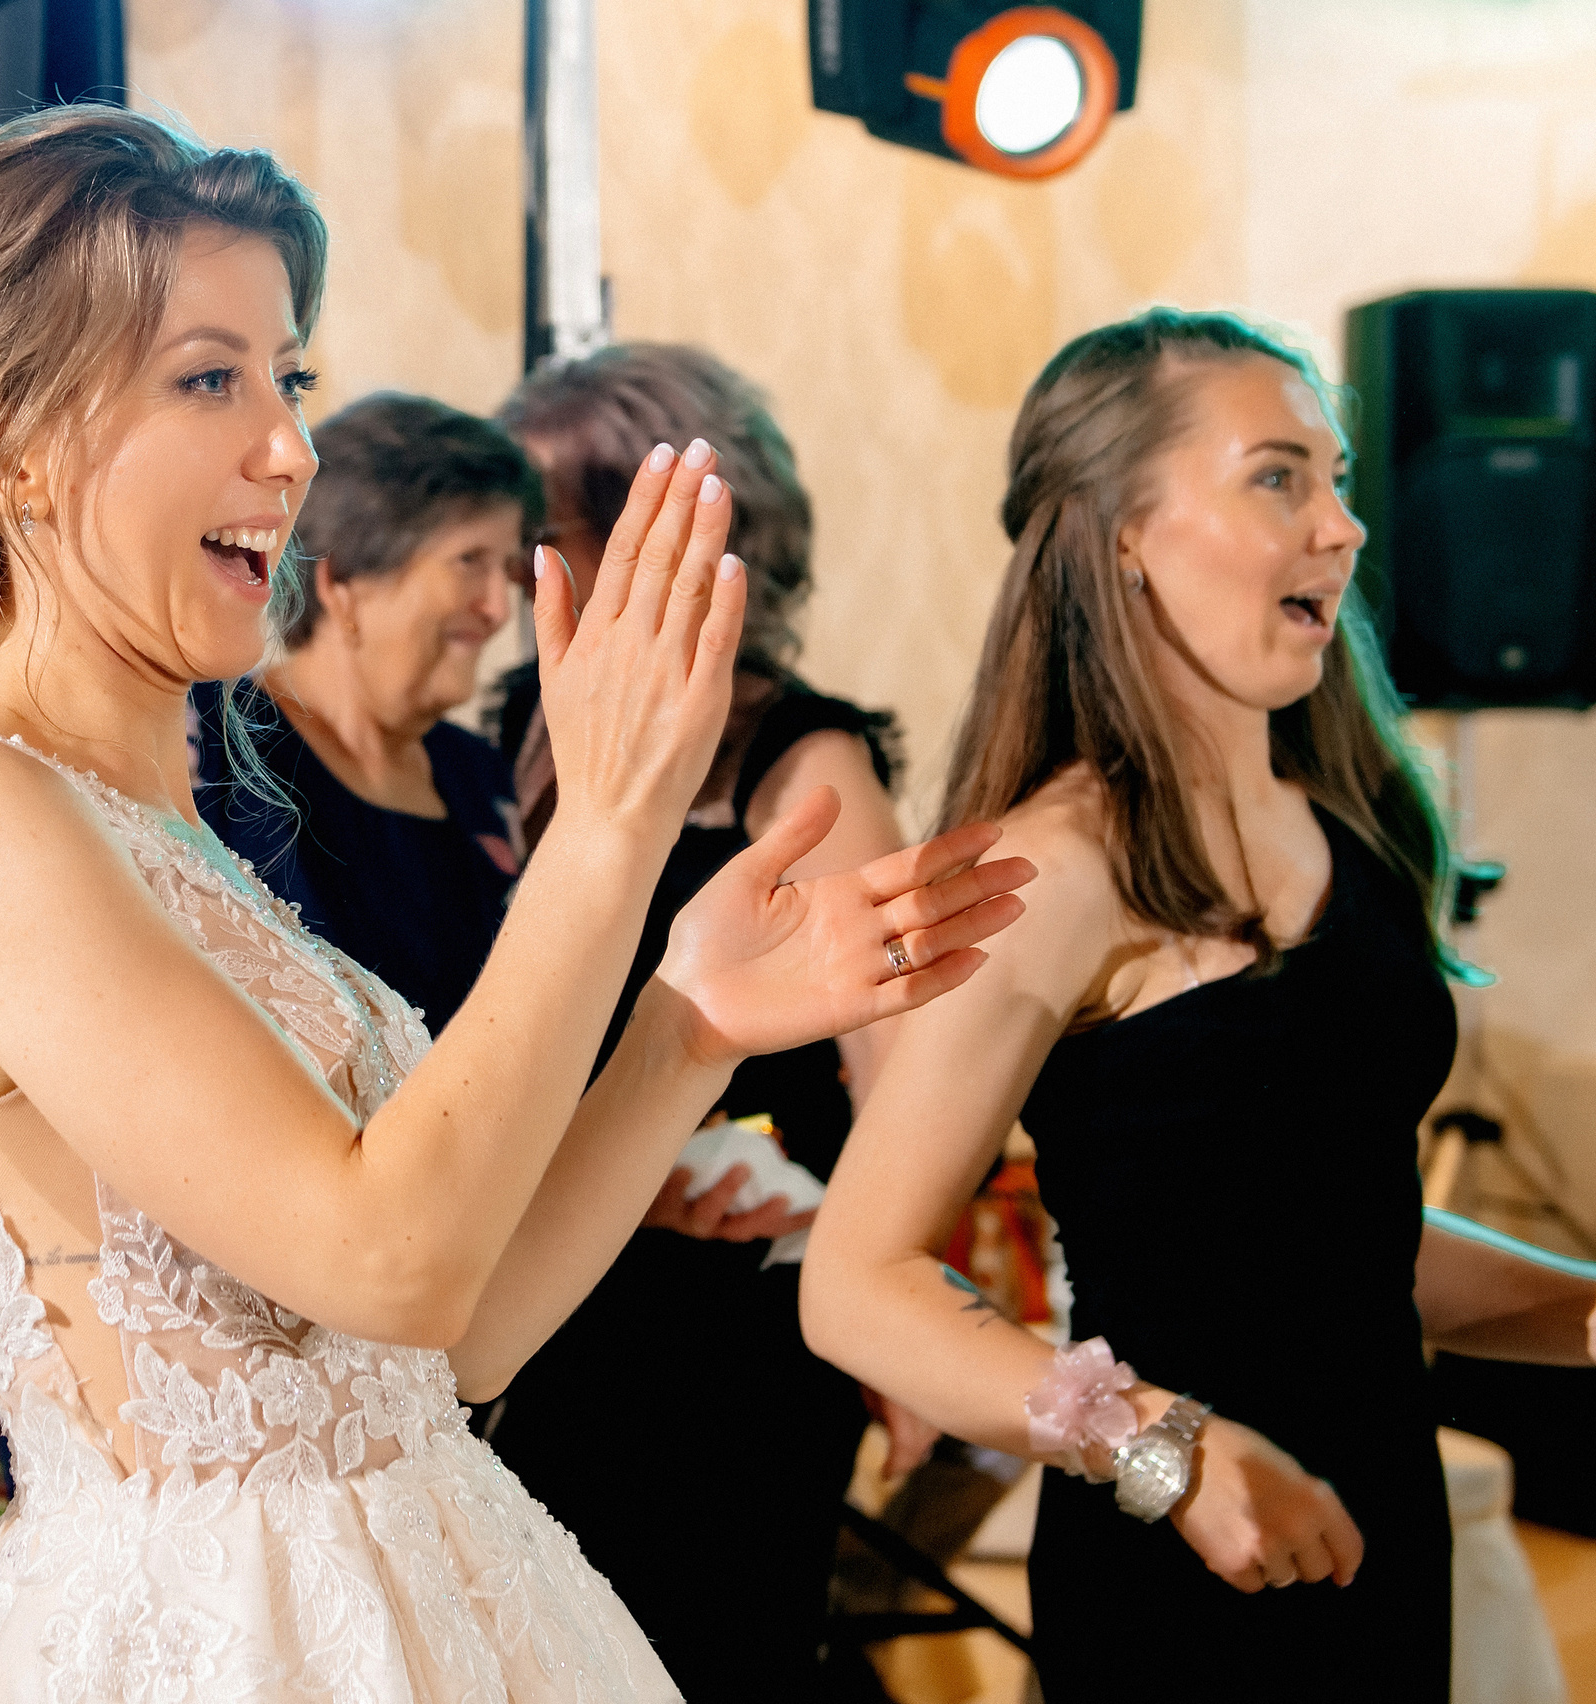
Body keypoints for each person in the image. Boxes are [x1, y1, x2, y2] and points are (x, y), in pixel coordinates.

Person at [0, 105, 1031, 1702]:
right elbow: (390, 1258)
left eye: (288, 377)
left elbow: (454, 1342)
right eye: (210, 378)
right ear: (12, 453)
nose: (289, 447)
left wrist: (689, 1025)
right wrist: (601, 834)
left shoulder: (160, 838)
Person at [798, 308, 1596, 1703]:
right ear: (1123, 533)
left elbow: (1339, 1231)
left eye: (1336, 480)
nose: (1343, 528)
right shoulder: (1061, 866)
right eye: (1279, 477)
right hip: (1186, 1571)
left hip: (1378, 1530)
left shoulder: (1355, 827)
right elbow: (856, 1284)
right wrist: (1167, 1450)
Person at [484, 344, 917, 1701]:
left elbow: (910, 1086)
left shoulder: (805, 756)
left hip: (735, 1313)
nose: (512, 570)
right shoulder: (510, 722)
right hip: (546, 1284)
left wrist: (884, 1294)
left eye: (539, 527)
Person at [192, 391, 536, 1035]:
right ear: (343, 579)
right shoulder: (219, 739)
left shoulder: (478, 774)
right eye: (469, 562)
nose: (496, 607)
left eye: (506, 569)